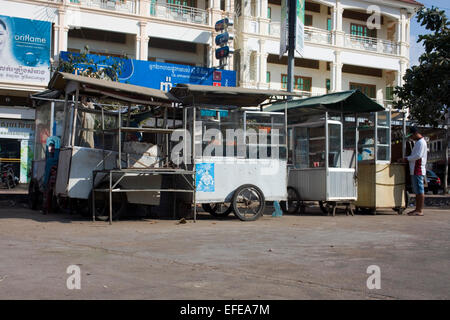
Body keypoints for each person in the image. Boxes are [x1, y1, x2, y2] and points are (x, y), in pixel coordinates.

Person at [399, 127, 428, 216]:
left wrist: (406, 159)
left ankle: (419, 210)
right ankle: (417, 209)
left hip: (418, 169)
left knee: (420, 190)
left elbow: (418, 156)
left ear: (415, 134)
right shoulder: (418, 142)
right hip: (415, 169)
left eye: (411, 136)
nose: (411, 138)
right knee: (417, 191)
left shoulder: (421, 143)